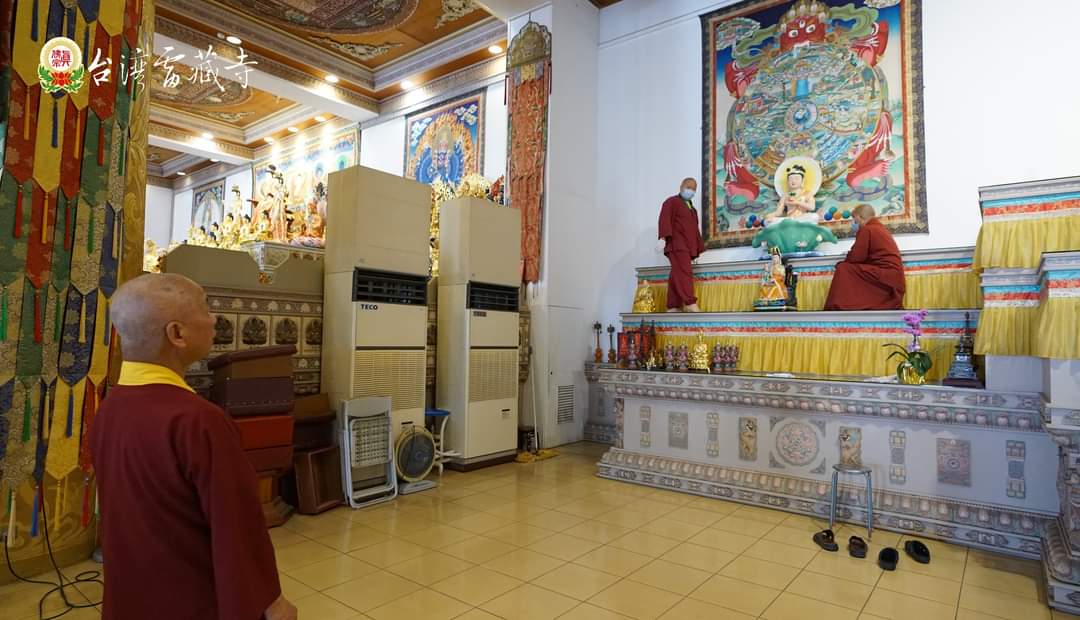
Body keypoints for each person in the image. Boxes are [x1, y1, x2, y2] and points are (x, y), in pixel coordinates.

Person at [89, 274, 296, 620]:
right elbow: (236, 528)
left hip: (132, 595)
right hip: (191, 598)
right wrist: (270, 601)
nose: (213, 319)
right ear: (177, 334)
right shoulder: (198, 421)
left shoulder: (109, 408)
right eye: (204, 308)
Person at [824, 204, 905, 310]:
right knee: (847, 267)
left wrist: (845, 258)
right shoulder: (879, 228)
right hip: (892, 275)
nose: (854, 222)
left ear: (859, 216)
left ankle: (839, 306)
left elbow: (856, 257)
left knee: (843, 268)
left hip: (886, 274)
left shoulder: (867, 229)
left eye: (854, 219)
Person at [658, 178, 706, 312]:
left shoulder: (692, 209)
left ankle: (672, 305)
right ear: (681, 186)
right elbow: (664, 219)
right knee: (685, 272)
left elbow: (694, 230)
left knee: (676, 273)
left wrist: (696, 249)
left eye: (694, 188)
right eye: (688, 187)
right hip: (676, 244)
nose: (691, 190)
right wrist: (662, 238)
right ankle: (690, 302)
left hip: (687, 247)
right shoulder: (671, 202)